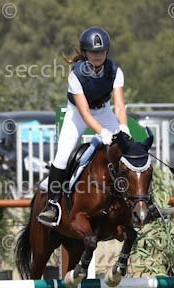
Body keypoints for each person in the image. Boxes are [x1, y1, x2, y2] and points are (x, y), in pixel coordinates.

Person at [37, 27, 130, 227]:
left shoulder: (115, 71)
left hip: (104, 111)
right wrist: (102, 132)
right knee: (62, 156)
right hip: (78, 115)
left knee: (129, 150)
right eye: (93, 52)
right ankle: (52, 205)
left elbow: (120, 105)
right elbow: (85, 113)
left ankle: (146, 201)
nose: (97, 55)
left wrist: (123, 127)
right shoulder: (76, 75)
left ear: (107, 51)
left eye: (101, 51)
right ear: (85, 53)